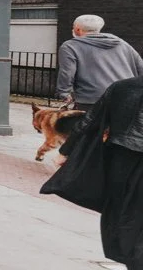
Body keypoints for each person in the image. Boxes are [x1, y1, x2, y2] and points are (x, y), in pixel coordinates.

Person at [56, 76, 143, 269]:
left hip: (121, 160)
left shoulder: (122, 87)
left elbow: (91, 120)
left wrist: (66, 150)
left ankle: (132, 258)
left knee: (122, 212)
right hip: (124, 158)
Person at [56, 15, 143, 109]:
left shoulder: (70, 46)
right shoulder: (122, 44)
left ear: (77, 29)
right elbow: (140, 67)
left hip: (91, 99)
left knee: (89, 124)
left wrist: (64, 93)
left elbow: (67, 72)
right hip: (125, 96)